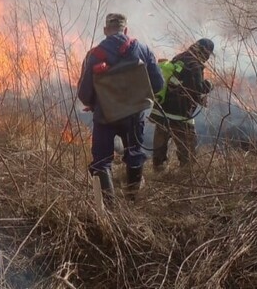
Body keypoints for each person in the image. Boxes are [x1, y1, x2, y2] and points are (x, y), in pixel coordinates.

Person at [77, 13, 163, 205]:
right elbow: (158, 84)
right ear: (125, 30)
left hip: (104, 117)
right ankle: (132, 200)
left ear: (106, 31)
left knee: (102, 160)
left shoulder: (94, 55)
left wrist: (94, 104)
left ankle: (108, 208)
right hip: (134, 116)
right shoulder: (143, 49)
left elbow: (83, 93)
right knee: (134, 155)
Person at [149, 38, 214, 171]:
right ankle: (186, 174)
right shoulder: (194, 65)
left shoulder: (180, 57)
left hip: (162, 111)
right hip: (180, 114)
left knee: (159, 146)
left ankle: (158, 170)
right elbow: (196, 90)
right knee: (188, 149)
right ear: (205, 52)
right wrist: (208, 85)